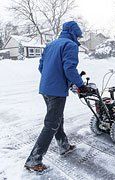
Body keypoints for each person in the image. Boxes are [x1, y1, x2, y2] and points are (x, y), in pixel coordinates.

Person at [24, 21, 88, 172]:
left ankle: (64, 146)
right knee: (51, 123)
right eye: (78, 36)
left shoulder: (51, 45)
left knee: (57, 118)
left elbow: (41, 66)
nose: (78, 39)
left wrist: (52, 79)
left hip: (45, 88)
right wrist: (81, 85)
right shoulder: (70, 45)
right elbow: (69, 68)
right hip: (56, 91)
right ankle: (34, 160)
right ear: (73, 33)